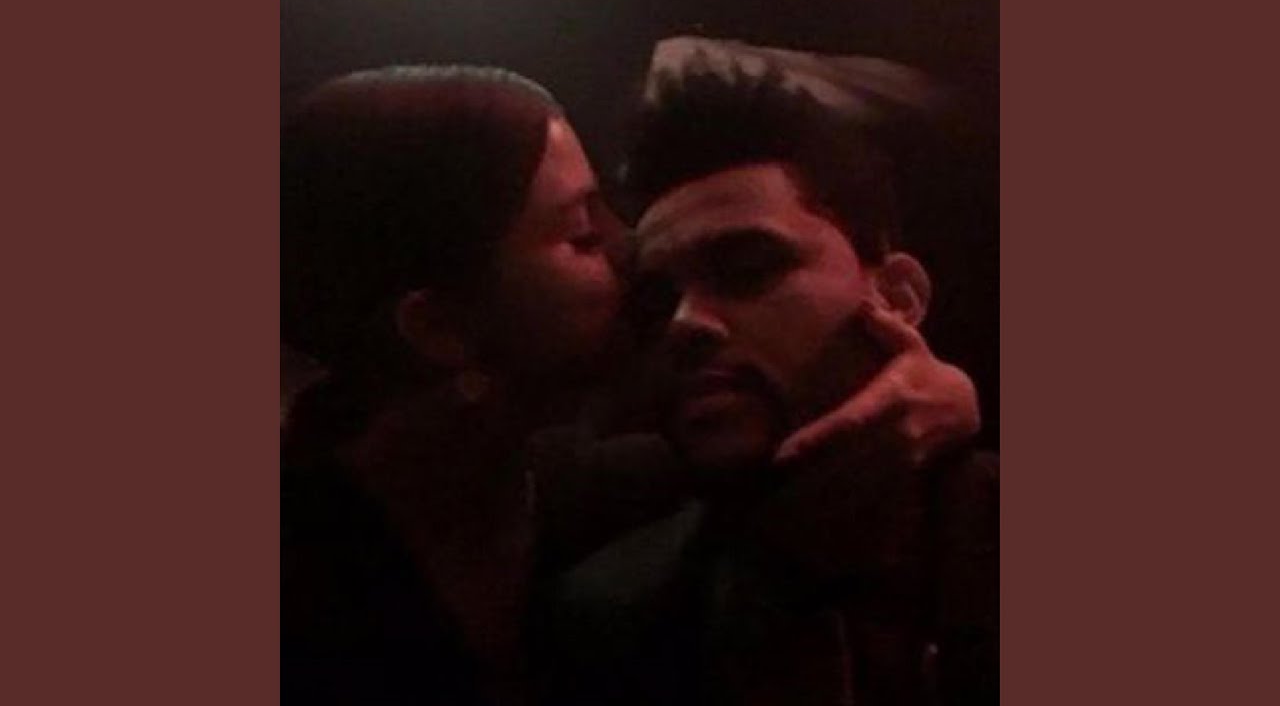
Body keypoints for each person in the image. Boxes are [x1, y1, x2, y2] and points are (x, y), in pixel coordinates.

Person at [280, 64, 983, 706]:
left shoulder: (622, 492)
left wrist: (946, 406)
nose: (629, 257)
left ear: (900, 294)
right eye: (584, 237)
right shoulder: (609, 573)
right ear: (438, 327)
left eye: (747, 267)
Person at [534, 66, 997, 705]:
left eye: (749, 267)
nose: (684, 323)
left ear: (898, 296)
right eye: (656, 300)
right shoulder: (609, 618)